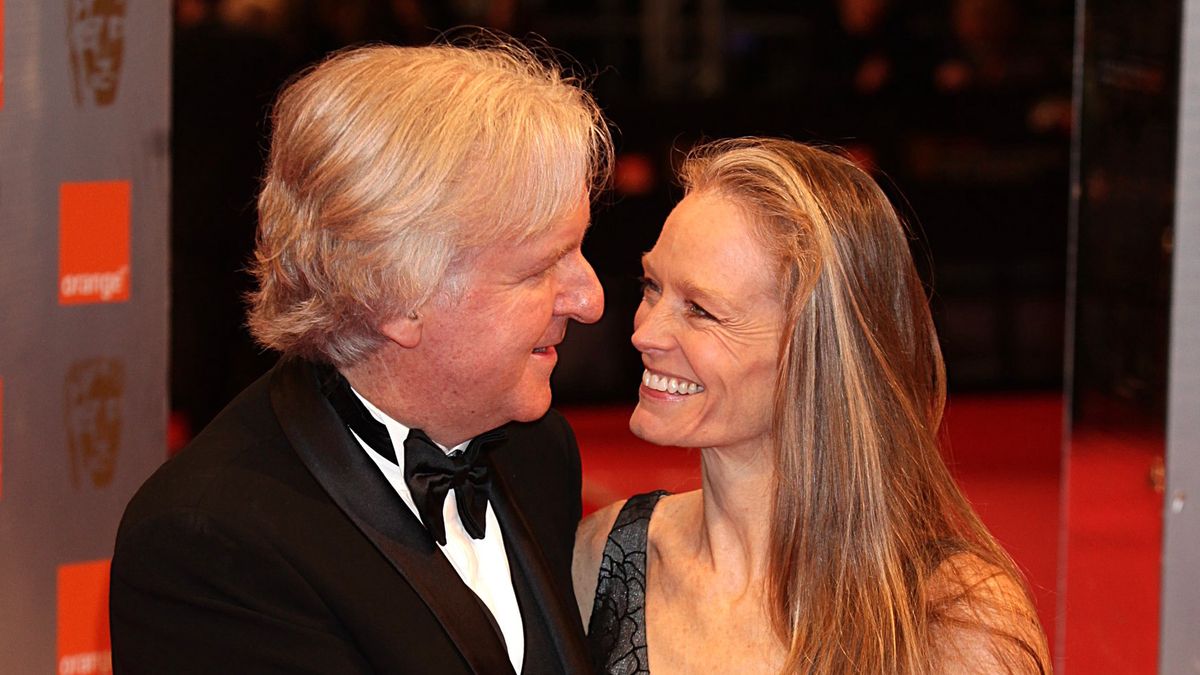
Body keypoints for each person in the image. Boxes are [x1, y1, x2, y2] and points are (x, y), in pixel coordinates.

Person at [111, 40, 612, 674]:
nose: (590, 299)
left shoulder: (536, 451)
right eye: (541, 267)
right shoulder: (210, 542)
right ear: (399, 297)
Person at [574, 138, 1051, 674]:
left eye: (701, 311)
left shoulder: (954, 621)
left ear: (816, 349)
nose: (646, 332)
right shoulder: (601, 561)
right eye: (652, 286)